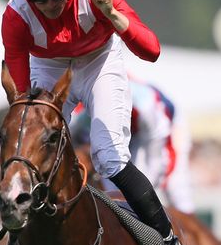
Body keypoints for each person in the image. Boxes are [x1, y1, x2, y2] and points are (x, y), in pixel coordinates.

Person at [1, 0, 196, 245]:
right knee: (27, 150)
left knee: (109, 158)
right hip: (48, 64)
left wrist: (114, 15)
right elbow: (23, 96)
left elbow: (151, 50)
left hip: (99, 61)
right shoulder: (14, 16)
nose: (48, 3)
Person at [70, 78, 196, 214]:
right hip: (134, 127)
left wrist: (140, 194)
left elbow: (156, 163)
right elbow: (73, 142)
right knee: (112, 180)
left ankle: (183, 223)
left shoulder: (146, 108)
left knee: (175, 187)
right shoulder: (89, 111)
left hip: (163, 125)